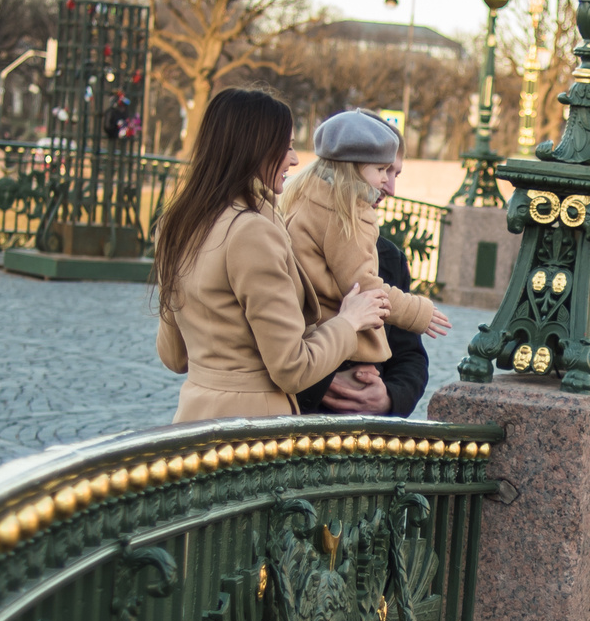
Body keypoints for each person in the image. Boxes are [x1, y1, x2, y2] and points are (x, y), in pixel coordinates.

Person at [151, 89, 388, 422]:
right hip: (250, 433)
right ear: (256, 149)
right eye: (288, 146)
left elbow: (174, 356)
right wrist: (349, 322)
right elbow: (292, 368)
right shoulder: (252, 232)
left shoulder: (175, 223)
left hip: (193, 420)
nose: (294, 160)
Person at [280, 112, 454, 384]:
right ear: (354, 168)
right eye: (382, 170)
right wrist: (417, 312)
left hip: (310, 338)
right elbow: (363, 289)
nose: (389, 184)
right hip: (343, 348)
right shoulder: (347, 216)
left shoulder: (302, 198)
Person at [298, 228, 429, 416]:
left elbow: (409, 356)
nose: (388, 195)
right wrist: (319, 383)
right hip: (298, 424)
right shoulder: (290, 242)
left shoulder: (389, 256)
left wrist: (389, 398)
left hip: (367, 431)